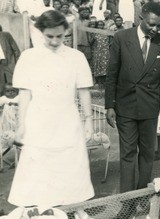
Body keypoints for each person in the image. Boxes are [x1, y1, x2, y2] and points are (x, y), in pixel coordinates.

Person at [8, 10, 95, 207]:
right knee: (39, 169)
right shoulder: (28, 57)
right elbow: (25, 94)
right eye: (49, 36)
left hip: (67, 121)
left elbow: (83, 91)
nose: (55, 41)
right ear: (40, 32)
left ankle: (69, 208)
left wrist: (89, 121)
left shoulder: (76, 57)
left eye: (60, 36)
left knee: (69, 168)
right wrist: (21, 126)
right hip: (38, 122)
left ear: (66, 32)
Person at [105, 0, 160, 194]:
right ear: (140, 18)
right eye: (151, 24)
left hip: (150, 107)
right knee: (127, 154)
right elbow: (112, 74)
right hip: (125, 105)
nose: (155, 28)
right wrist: (110, 105)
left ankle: (142, 194)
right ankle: (127, 199)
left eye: (159, 25)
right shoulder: (121, 37)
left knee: (147, 154)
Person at [0, 25, 20, 96]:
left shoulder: (6, 35)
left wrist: (18, 64)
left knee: (13, 85)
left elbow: (16, 50)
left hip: (9, 64)